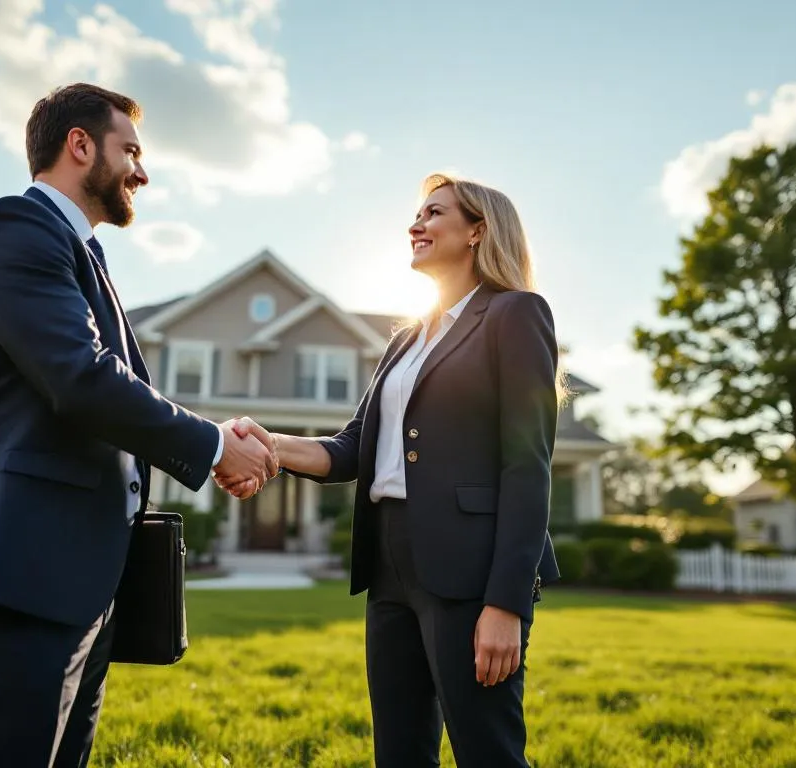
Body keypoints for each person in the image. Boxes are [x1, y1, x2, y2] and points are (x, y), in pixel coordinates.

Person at [0, 83, 277, 768]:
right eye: (130, 149)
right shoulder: (14, 228)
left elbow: (109, 390)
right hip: (17, 573)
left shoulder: (82, 256)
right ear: (79, 145)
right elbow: (82, 380)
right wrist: (215, 444)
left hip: (73, 585)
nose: (142, 170)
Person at [219, 173, 565, 767]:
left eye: (434, 213)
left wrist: (507, 604)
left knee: (489, 752)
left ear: (478, 231)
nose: (416, 224)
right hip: (389, 566)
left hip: (468, 568)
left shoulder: (515, 314)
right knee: (400, 752)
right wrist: (266, 443)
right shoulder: (406, 339)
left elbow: (526, 468)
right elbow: (355, 449)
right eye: (417, 214)